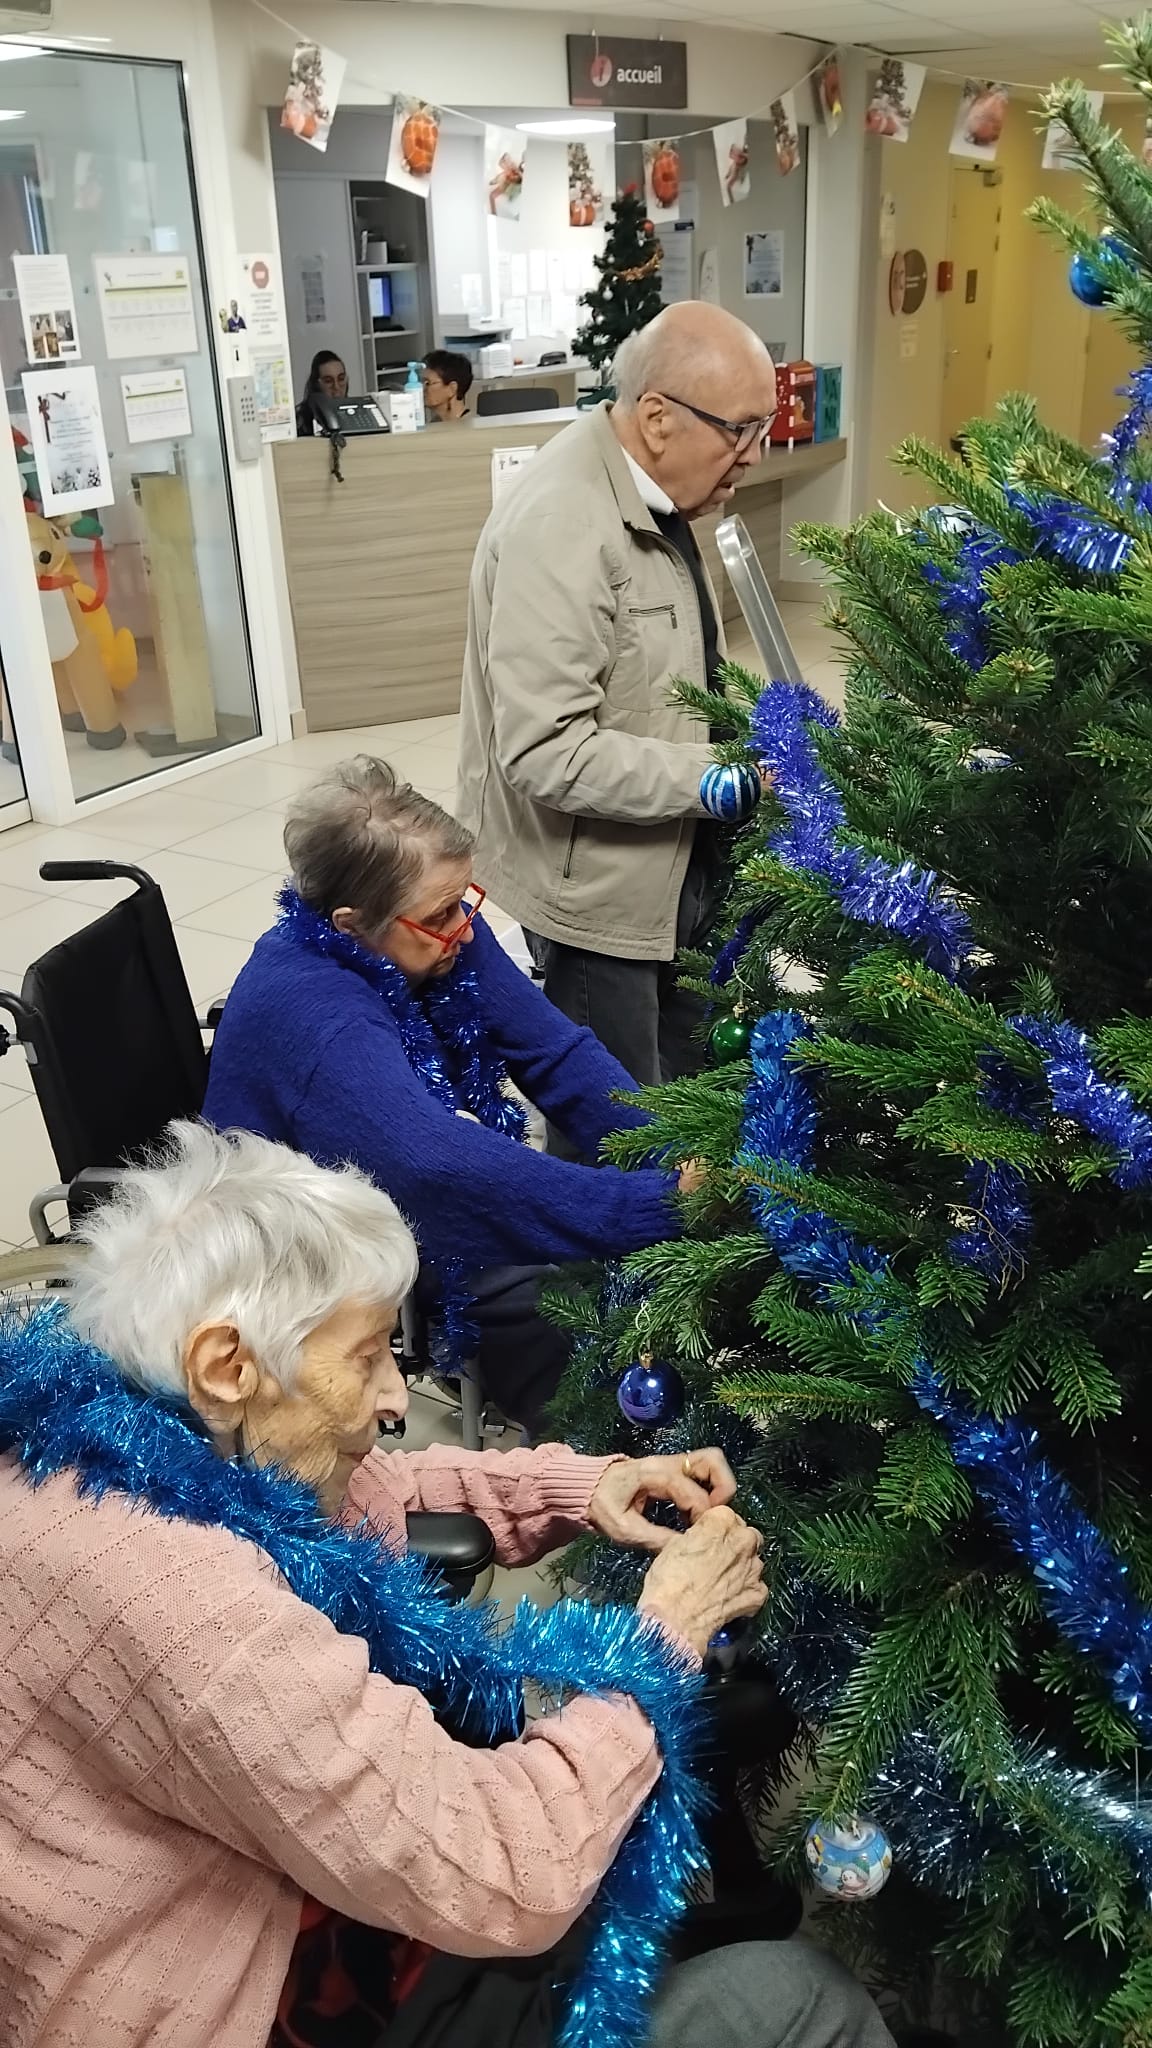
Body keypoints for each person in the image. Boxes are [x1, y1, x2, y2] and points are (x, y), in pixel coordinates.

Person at [0, 1121, 895, 2048]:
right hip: (263, 2000)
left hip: (256, 1907)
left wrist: (589, 1485)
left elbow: (377, 1491)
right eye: (366, 1357)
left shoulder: (112, 1444)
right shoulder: (189, 1608)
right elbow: (508, 1870)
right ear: (228, 1365)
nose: (396, 1398)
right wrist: (662, 1636)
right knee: (800, 1997)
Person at [203, 756, 705, 1437]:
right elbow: (438, 1167)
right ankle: (608, 1464)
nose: (465, 927)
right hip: (301, 1246)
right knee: (553, 1316)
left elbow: (556, 1054)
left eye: (466, 899)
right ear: (352, 927)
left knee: (590, 1255)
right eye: (443, 912)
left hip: (396, 1176)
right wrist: (652, 1206)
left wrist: (671, 1151)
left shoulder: (429, 933)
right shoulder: (320, 1018)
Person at [456, 300, 778, 1101]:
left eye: (763, 429)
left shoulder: (655, 491)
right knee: (616, 1133)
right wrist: (722, 777)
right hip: (595, 901)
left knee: (688, 1096)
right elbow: (545, 750)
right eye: (740, 430)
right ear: (660, 417)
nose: (753, 456)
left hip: (673, 862)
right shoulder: (565, 523)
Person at [297, 349, 348, 436]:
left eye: (341, 379)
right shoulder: (300, 419)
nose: (336, 387)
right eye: (328, 381)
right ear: (316, 384)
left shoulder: (353, 411)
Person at [423, 348, 474, 422]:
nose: (423, 388)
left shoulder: (472, 429)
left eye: (428, 383)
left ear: (452, 389)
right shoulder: (434, 425)